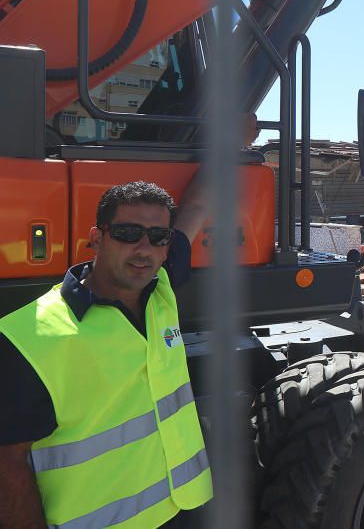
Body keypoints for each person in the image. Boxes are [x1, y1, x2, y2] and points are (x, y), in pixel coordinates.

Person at [0, 179, 212, 528]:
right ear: (97, 239)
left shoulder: (160, 291)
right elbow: (7, 465)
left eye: (158, 237)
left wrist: (232, 142)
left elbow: (198, 208)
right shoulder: (29, 336)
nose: (144, 248)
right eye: (129, 232)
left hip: (183, 509)